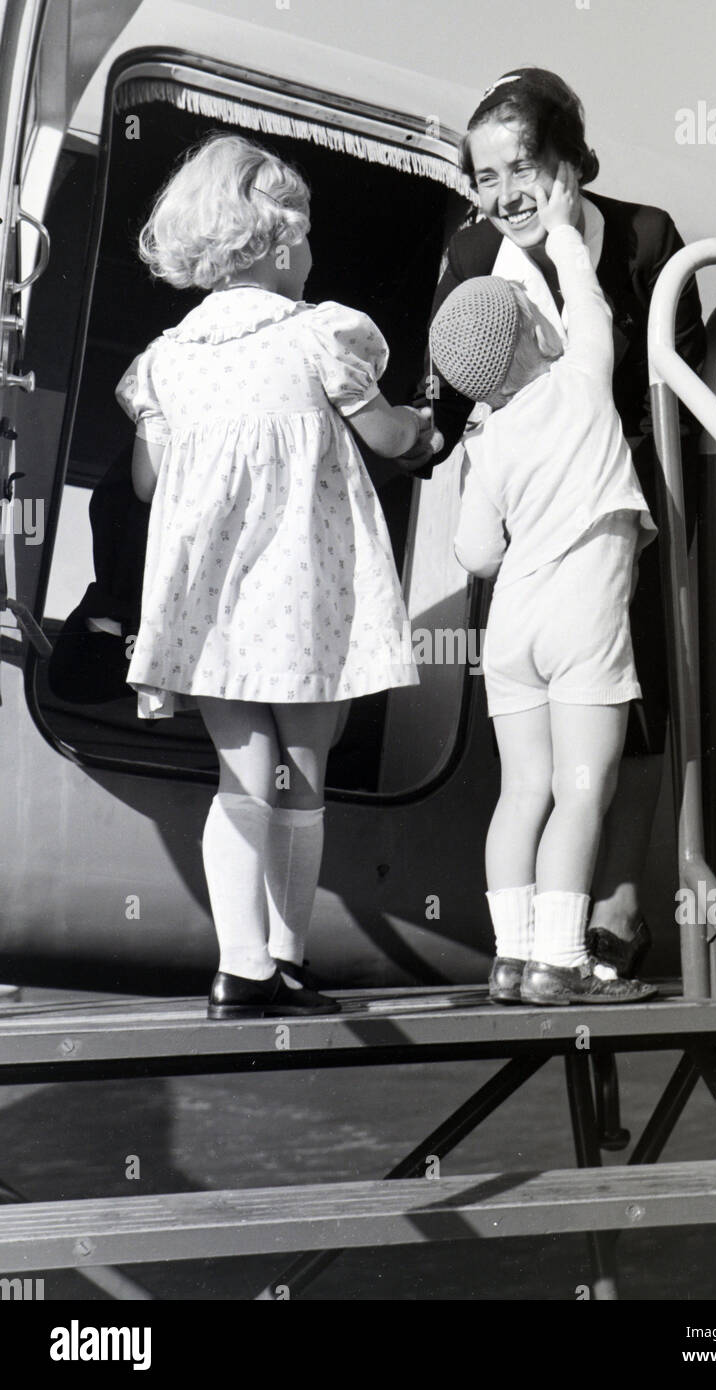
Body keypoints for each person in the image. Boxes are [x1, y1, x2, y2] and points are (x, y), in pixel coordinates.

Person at [116, 134, 439, 1020]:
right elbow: (390, 440)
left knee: (242, 779)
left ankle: (240, 967)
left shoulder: (165, 363)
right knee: (305, 775)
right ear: (279, 243)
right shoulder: (322, 336)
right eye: (306, 238)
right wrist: (428, 427)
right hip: (301, 595)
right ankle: (287, 962)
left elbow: (149, 485)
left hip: (213, 609)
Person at [410, 68, 706, 979]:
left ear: (572, 162)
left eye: (521, 169)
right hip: (534, 512)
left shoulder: (648, 238)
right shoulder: (469, 254)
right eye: (483, 176)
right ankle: (544, 941)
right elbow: (447, 391)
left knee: (639, 708)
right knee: (548, 752)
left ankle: (614, 907)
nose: (502, 196)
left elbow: (682, 396)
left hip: (627, 500)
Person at [432, 164, 657, 1005]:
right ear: (536, 331)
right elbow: (589, 302)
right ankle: (560, 961)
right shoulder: (582, 382)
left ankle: (508, 957)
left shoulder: (485, 437)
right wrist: (562, 230)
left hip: (512, 625)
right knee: (582, 789)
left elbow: (475, 554)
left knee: (520, 792)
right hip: (581, 618)